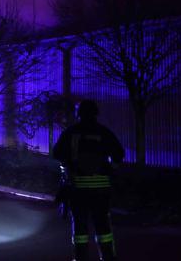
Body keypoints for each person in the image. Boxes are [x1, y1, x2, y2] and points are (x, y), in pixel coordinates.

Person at [52, 99, 124, 261]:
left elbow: (57, 153)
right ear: (95, 114)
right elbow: (119, 154)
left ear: (79, 114)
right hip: (101, 189)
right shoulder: (104, 132)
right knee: (103, 226)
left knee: (80, 227)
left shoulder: (71, 132)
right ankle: (107, 257)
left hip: (78, 188)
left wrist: (69, 165)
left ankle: (80, 258)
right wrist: (109, 169)